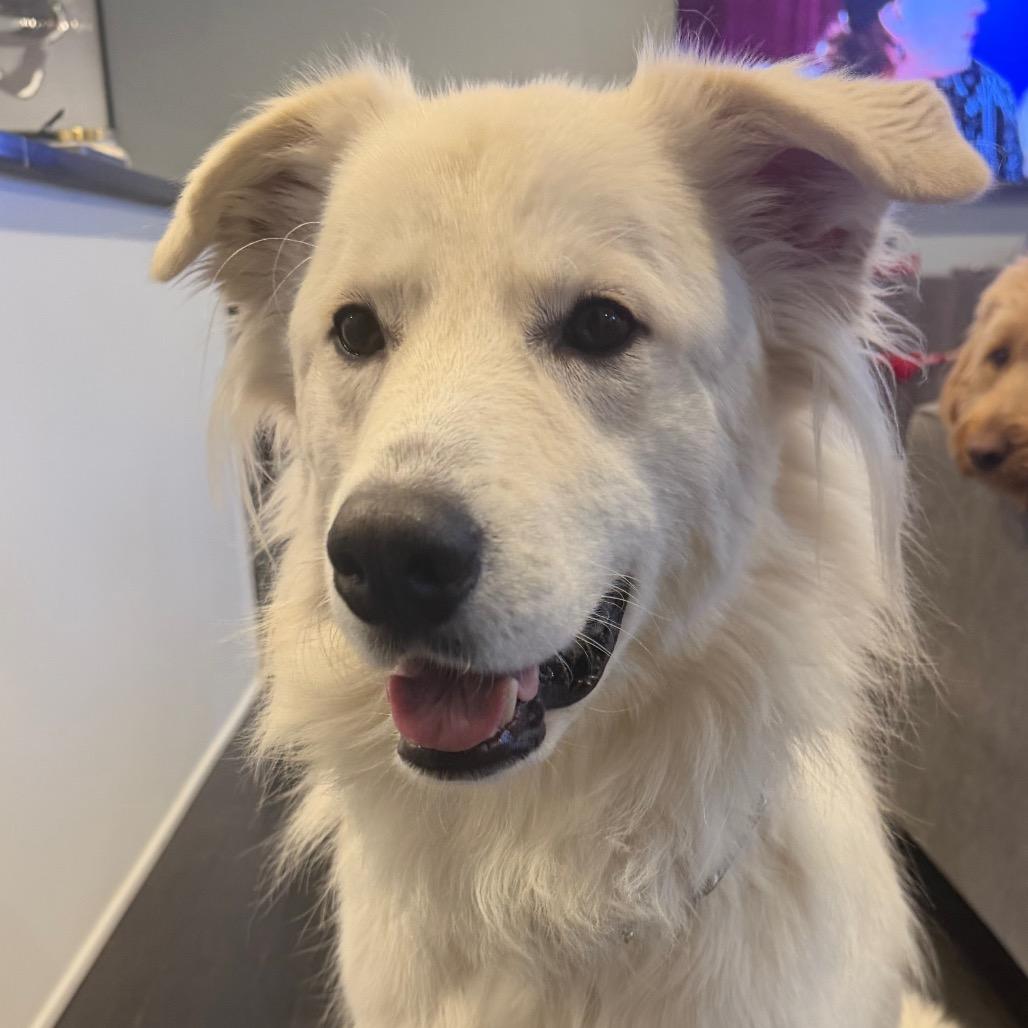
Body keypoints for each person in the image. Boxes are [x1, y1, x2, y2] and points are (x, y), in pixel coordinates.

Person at [819, 1, 1024, 182]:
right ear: (892, 15)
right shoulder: (820, 101)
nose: (979, 7)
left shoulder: (986, 92)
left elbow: (1002, 200)